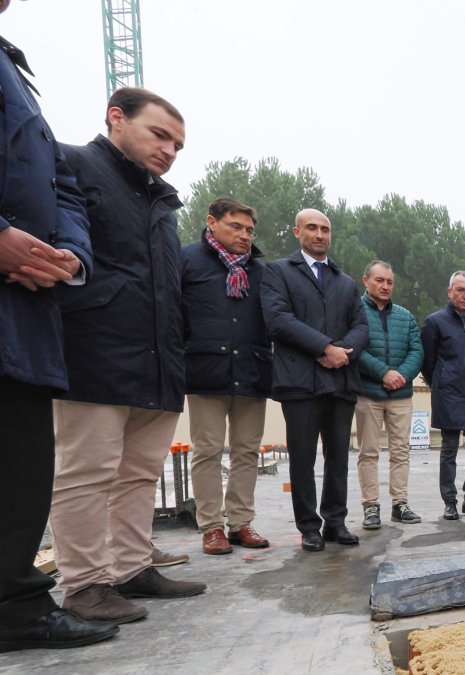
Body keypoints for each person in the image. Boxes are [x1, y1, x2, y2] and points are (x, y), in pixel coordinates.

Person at [53, 87, 206, 624]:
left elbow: (166, 287)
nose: (168, 150)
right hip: (94, 352)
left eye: (178, 145)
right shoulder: (70, 164)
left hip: (158, 361)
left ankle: (132, 567)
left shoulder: (161, 202)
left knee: (140, 475)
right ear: (116, 118)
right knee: (87, 473)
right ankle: (86, 584)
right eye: (159, 134)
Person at [0, 4, 118, 650]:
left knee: (22, 465)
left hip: (26, 309)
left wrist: (72, 254)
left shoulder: (14, 69)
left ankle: (15, 604)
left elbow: (61, 188)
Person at [261, 209, 368, 552]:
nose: (320, 234)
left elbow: (361, 326)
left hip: (341, 381)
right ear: (297, 231)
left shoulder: (346, 282)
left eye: (325, 229)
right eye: (312, 228)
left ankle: (335, 521)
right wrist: (324, 346)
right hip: (300, 381)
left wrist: (343, 353)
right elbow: (278, 319)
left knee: (338, 455)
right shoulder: (278, 272)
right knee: (303, 457)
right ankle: (309, 526)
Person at [181, 198, 272, 556]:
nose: (245, 236)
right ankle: (212, 527)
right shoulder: (188, 261)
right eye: (235, 226)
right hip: (205, 370)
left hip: (252, 371)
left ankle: (240, 522)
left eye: (249, 230)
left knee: (248, 451)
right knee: (207, 451)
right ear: (212, 223)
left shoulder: (260, 271)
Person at [355, 261, 423, 530]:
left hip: (401, 395)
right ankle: (370, 506)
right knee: (368, 452)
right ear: (365, 280)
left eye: (389, 282)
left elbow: (417, 350)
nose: (385, 286)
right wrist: (383, 372)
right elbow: (354, 348)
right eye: (379, 280)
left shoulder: (405, 316)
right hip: (369, 393)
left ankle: (400, 503)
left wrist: (402, 375)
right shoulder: (355, 311)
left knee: (400, 452)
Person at [421, 271, 465, 520]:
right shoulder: (435, 322)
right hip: (449, 395)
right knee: (449, 450)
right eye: (460, 290)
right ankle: (449, 501)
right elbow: (428, 362)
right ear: (449, 291)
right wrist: (441, 383)